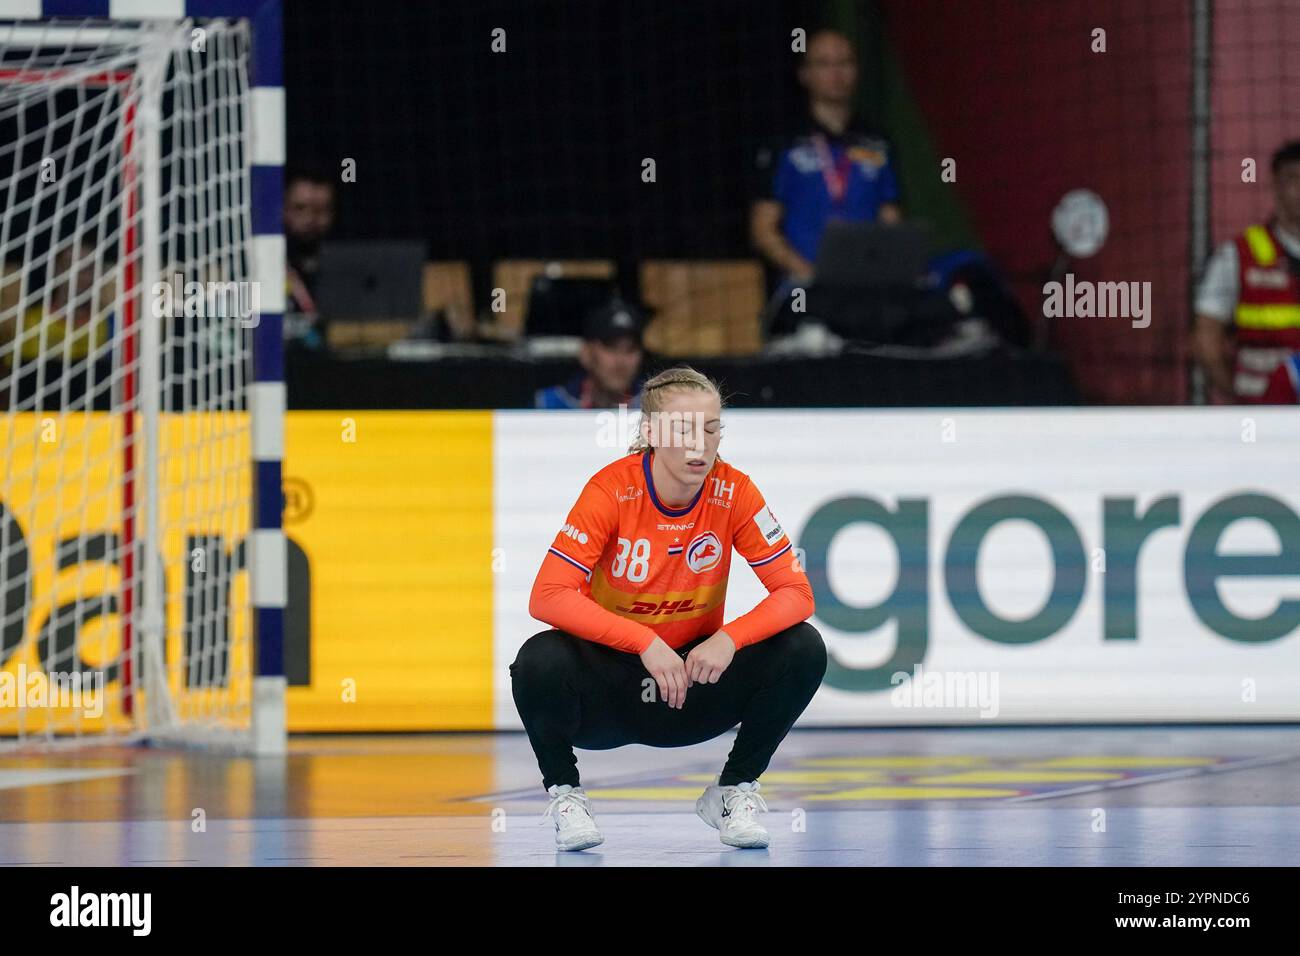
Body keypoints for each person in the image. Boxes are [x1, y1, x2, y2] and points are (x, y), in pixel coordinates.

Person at [512, 365, 826, 851]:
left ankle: (733, 788)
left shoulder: (735, 490)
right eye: (683, 430)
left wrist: (729, 638)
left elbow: (796, 593)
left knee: (804, 647)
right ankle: (567, 796)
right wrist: (644, 643)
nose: (700, 445)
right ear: (650, 434)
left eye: (711, 429)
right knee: (537, 660)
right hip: (610, 691)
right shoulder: (612, 490)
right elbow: (547, 596)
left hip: (693, 687)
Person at [750, 27, 901, 317]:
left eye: (844, 63)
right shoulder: (783, 142)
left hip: (869, 289)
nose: (836, 73)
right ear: (805, 74)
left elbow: (890, 219)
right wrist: (810, 275)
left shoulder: (877, 141)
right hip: (804, 290)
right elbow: (762, 230)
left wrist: (893, 270)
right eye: (824, 63)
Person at [1193, 140, 1300, 403]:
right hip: (1262, 412)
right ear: (1275, 185)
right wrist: (1239, 399)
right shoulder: (1239, 255)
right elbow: (1206, 338)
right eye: (1293, 179)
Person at [534, 299, 646, 409]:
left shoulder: (657, 407)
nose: (621, 361)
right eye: (610, 348)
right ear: (586, 353)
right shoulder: (547, 405)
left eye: (631, 349)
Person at [282, 165, 337, 351]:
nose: (310, 219)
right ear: (283, 209)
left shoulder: (344, 266)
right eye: (300, 208)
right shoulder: (260, 263)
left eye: (321, 210)